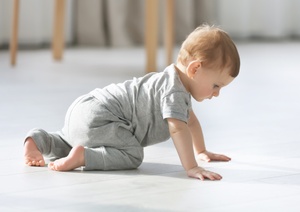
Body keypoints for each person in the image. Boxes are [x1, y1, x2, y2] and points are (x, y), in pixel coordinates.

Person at [23, 24, 240, 181]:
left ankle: (39, 141)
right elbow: (178, 129)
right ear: (195, 69)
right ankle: (84, 157)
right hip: (103, 116)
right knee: (133, 154)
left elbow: (190, 122)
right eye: (216, 86)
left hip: (84, 109)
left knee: (69, 139)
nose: (217, 94)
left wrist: (201, 150)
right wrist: (191, 166)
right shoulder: (174, 92)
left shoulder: (169, 81)